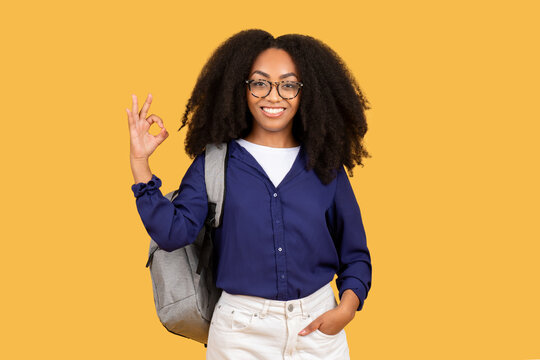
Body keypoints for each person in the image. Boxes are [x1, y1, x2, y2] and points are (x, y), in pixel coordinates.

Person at [127, 29, 372, 360]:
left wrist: (347, 308)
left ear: (305, 92)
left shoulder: (325, 166)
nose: (274, 96)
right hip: (240, 332)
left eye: (288, 84)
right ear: (240, 89)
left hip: (318, 328)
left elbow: (355, 253)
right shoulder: (215, 163)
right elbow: (173, 234)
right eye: (260, 83)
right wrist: (140, 163)